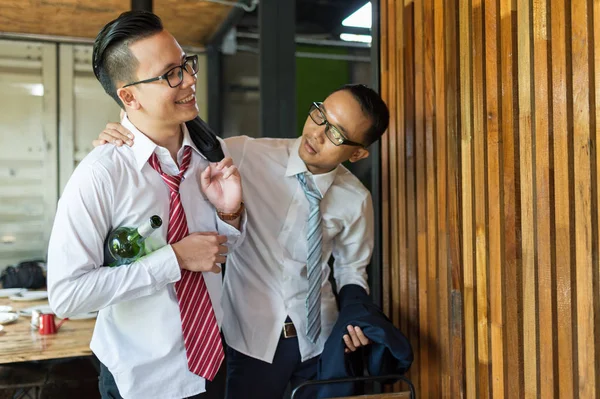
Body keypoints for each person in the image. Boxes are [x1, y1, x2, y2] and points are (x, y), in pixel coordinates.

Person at [94, 83, 390, 398]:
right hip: (250, 341)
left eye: (336, 134)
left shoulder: (356, 198)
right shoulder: (247, 154)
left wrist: (355, 316)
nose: (317, 133)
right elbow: (176, 149)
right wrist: (127, 135)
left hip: (320, 343)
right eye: (320, 115)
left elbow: (351, 269)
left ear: (357, 152)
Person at [48, 11, 246, 399]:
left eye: (187, 65)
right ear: (128, 96)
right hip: (139, 377)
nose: (189, 80)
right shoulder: (101, 175)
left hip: (213, 363)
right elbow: (67, 295)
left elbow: (216, 255)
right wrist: (173, 259)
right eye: (171, 73)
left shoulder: (210, 154)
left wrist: (229, 214)